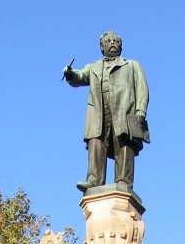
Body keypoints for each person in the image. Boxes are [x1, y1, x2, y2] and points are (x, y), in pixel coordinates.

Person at [63, 31, 149, 193]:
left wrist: (140, 110)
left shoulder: (132, 65)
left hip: (125, 110)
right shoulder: (94, 67)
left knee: (124, 143)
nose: (112, 43)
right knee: (96, 142)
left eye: (115, 41)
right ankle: (93, 180)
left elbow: (142, 89)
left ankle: (124, 182)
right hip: (99, 111)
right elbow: (79, 76)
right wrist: (70, 73)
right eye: (108, 41)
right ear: (102, 47)